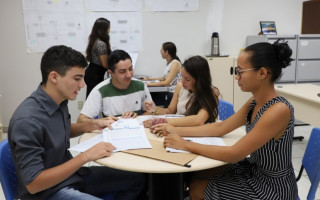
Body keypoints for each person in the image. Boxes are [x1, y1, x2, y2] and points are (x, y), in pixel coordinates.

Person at [154, 40, 298, 199]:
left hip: (272, 187)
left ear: (262, 73)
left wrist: (185, 144)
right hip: (253, 169)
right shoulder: (254, 102)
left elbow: (234, 154)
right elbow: (220, 128)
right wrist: (176, 130)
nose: (237, 77)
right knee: (196, 172)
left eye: (240, 71)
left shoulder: (278, 110)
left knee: (197, 188)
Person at [8, 45, 144, 200]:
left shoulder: (59, 101)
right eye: (77, 79)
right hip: (47, 193)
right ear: (54, 77)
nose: (82, 85)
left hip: (70, 177)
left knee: (136, 179)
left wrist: (92, 124)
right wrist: (85, 157)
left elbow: (58, 130)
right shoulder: (27, 121)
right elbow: (33, 184)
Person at [143, 56, 219, 132]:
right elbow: (170, 111)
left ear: (200, 80)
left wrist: (164, 121)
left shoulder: (212, 92)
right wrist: (155, 109)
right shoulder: (180, 87)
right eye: (182, 76)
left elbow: (198, 120)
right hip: (179, 130)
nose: (182, 81)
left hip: (201, 133)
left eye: (187, 79)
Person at [78, 49, 152, 122]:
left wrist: (137, 118)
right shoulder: (100, 90)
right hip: (111, 131)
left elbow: (150, 111)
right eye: (122, 72)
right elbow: (81, 120)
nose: (129, 75)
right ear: (111, 73)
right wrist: (103, 120)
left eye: (130, 69)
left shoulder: (141, 86)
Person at [143, 42, 182, 107]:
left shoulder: (175, 63)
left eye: (161, 50)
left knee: (150, 97)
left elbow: (166, 82)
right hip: (168, 91)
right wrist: (147, 79)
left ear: (166, 52)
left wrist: (148, 84)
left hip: (172, 93)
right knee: (149, 96)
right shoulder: (169, 63)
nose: (160, 52)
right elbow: (164, 78)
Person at [84, 17, 112, 98]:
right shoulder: (101, 44)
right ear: (104, 29)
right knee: (93, 100)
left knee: (92, 98)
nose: (109, 30)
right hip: (95, 75)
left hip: (93, 73)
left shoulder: (95, 40)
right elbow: (105, 64)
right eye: (109, 27)